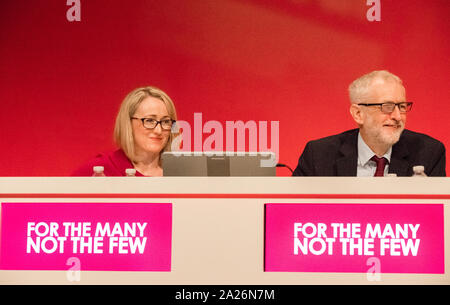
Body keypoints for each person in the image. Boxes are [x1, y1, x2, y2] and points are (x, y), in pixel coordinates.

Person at [292, 70, 446, 177]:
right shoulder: (319, 155)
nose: (398, 116)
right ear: (358, 114)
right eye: (387, 107)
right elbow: (294, 211)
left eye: (402, 107)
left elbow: (435, 218)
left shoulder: (428, 153)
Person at [72, 86, 179, 176]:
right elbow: (61, 200)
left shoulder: (180, 174)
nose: (158, 130)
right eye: (150, 120)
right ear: (128, 123)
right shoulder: (101, 169)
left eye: (166, 122)